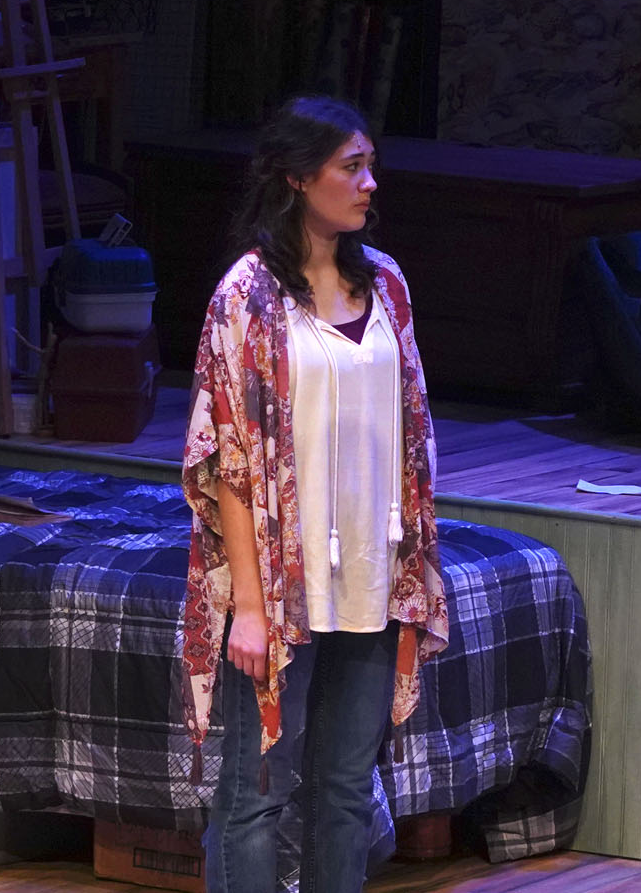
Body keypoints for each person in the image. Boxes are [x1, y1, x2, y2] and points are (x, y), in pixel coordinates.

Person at [179, 94, 449, 893]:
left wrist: (414, 566)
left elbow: (413, 431)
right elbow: (228, 462)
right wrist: (250, 608)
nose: (370, 184)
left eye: (371, 166)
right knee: (255, 793)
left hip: (371, 575)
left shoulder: (387, 284)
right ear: (299, 177)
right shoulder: (248, 296)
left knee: (344, 790)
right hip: (279, 586)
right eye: (351, 167)